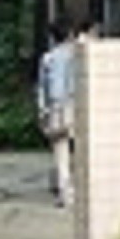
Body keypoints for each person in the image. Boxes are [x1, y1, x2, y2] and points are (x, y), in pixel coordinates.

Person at [36, 19, 82, 208]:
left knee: (60, 152)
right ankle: (83, 191)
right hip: (76, 106)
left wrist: (42, 110)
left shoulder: (48, 58)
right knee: (81, 149)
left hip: (55, 107)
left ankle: (66, 195)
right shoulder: (78, 55)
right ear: (70, 34)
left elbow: (41, 88)